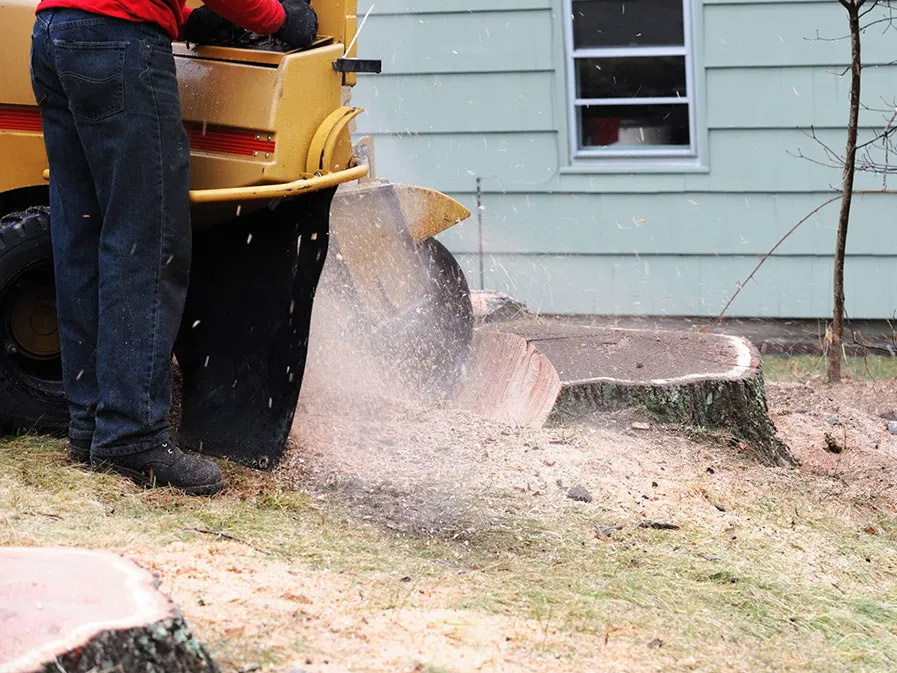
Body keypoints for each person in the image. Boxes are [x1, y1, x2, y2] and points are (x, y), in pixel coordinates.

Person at [29, 0, 317, 495]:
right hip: (118, 41)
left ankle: (92, 422)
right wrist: (281, 19)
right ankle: (131, 434)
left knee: (83, 232)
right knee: (146, 237)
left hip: (55, 34)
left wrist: (181, 17)